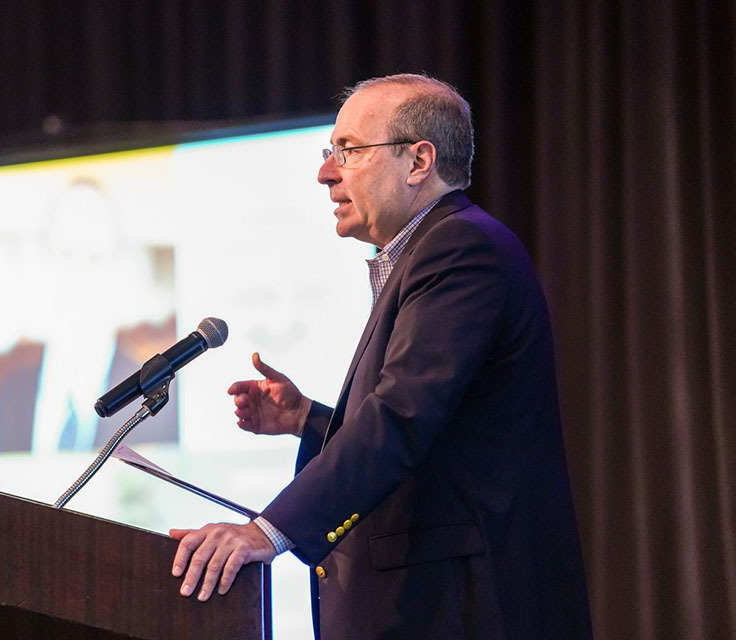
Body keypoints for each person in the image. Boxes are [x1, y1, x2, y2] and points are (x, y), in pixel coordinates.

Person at [169, 73, 593, 639]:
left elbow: (402, 416)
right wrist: (307, 419)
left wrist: (264, 532)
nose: (326, 172)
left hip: (462, 612)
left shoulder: (461, 248)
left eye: (347, 150)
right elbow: (442, 434)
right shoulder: (434, 250)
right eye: (329, 151)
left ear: (418, 161)